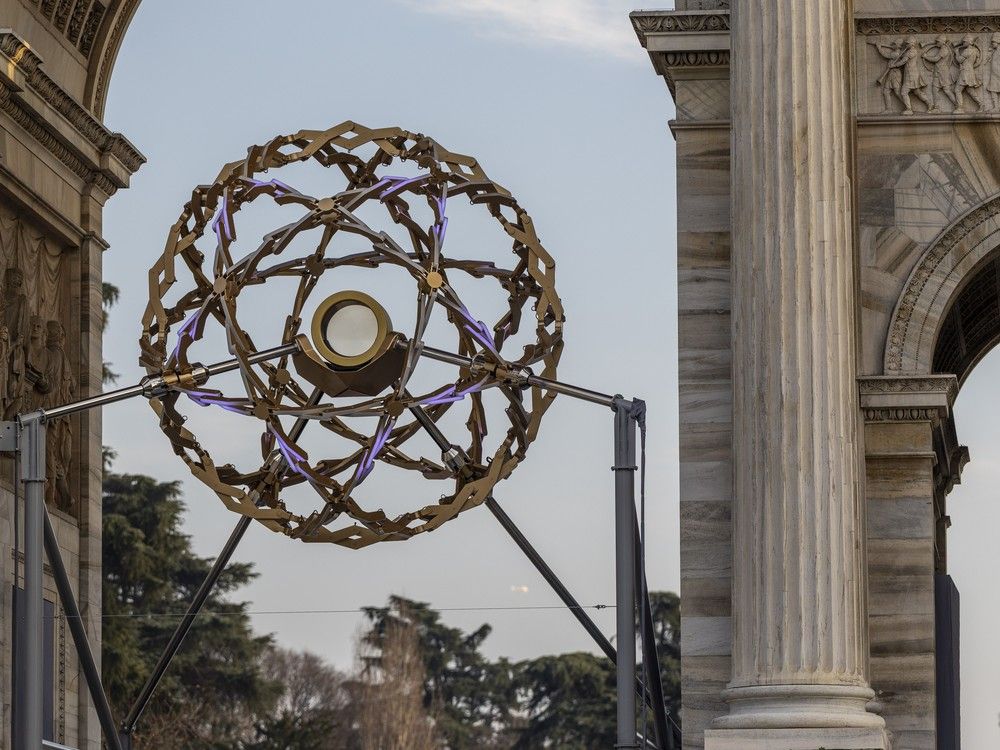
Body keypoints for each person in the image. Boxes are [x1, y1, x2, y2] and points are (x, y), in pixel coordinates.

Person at [888, 37, 933, 115]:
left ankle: (909, 109)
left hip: (911, 75)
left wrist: (894, 65)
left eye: (907, 44)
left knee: (903, 92)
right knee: (917, 92)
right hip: (909, 74)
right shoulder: (908, 51)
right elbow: (902, 57)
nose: (906, 45)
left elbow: (903, 61)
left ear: (912, 44)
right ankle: (930, 104)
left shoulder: (912, 52)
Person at [922, 36, 958, 112]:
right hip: (938, 72)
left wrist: (926, 56)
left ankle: (957, 105)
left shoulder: (944, 49)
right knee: (935, 89)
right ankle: (936, 108)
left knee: (947, 90)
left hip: (942, 73)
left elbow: (936, 59)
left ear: (942, 42)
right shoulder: (943, 48)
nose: (936, 43)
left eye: (938, 41)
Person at [954, 35, 988, 114]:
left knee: (957, 90)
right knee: (970, 91)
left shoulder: (967, 51)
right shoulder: (975, 50)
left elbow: (959, 60)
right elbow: (977, 61)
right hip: (970, 71)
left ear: (969, 42)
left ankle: (959, 108)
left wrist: (956, 53)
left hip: (965, 72)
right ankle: (981, 104)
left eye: (964, 41)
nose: (963, 43)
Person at [870, 39, 904, 113]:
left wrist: (879, 47)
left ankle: (908, 106)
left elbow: (885, 55)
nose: (892, 46)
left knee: (897, 92)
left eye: (894, 44)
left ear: (897, 46)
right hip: (890, 73)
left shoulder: (896, 54)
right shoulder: (895, 52)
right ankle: (889, 109)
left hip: (895, 74)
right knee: (886, 91)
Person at [986, 33, 1000, 110]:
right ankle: (996, 107)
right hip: (994, 74)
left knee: (995, 89)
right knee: (993, 90)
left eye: (993, 42)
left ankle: (997, 107)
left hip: (998, 73)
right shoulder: (995, 50)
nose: (992, 44)